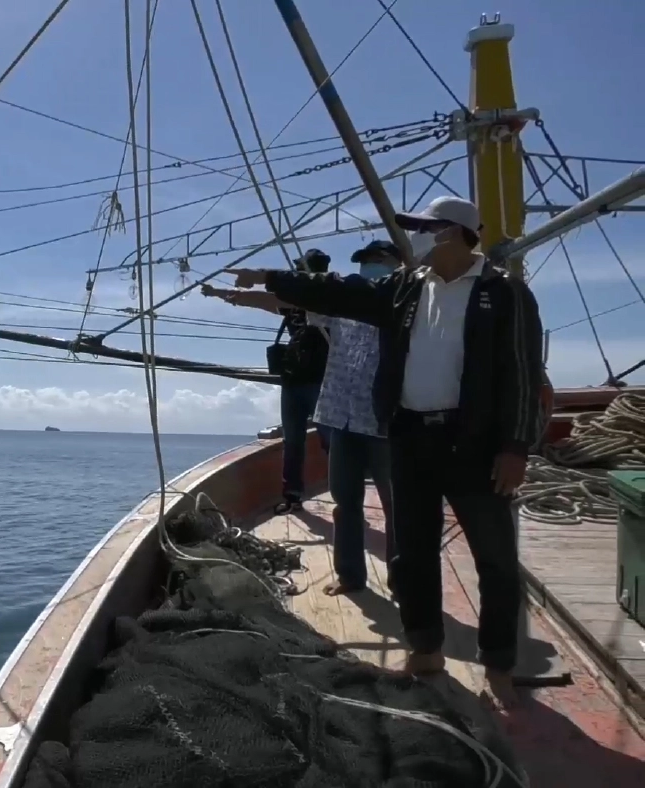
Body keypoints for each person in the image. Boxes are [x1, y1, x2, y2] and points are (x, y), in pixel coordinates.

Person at [224, 196, 544, 707]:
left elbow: (525, 374)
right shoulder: (407, 288)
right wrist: (270, 276)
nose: (412, 237)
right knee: (412, 550)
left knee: (496, 560)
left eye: (423, 228)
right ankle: (426, 648)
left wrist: (515, 448)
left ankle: (500, 664)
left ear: (454, 233)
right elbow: (342, 293)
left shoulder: (504, 294)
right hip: (412, 437)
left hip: (477, 446)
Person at [204, 239, 404, 600]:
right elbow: (287, 300)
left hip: (383, 421)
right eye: (365, 261)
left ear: (398, 265)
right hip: (339, 414)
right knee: (346, 502)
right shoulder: (340, 306)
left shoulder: (405, 306)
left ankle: (403, 582)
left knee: (397, 507)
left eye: (378, 261)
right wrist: (234, 292)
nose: (370, 266)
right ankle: (350, 575)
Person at [263, 249, 330, 514]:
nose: (297, 273)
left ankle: (346, 493)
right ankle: (292, 495)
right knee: (293, 441)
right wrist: (229, 297)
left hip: (320, 380)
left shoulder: (331, 300)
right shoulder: (291, 300)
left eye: (301, 268)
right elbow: (267, 301)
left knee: (330, 440)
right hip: (293, 380)